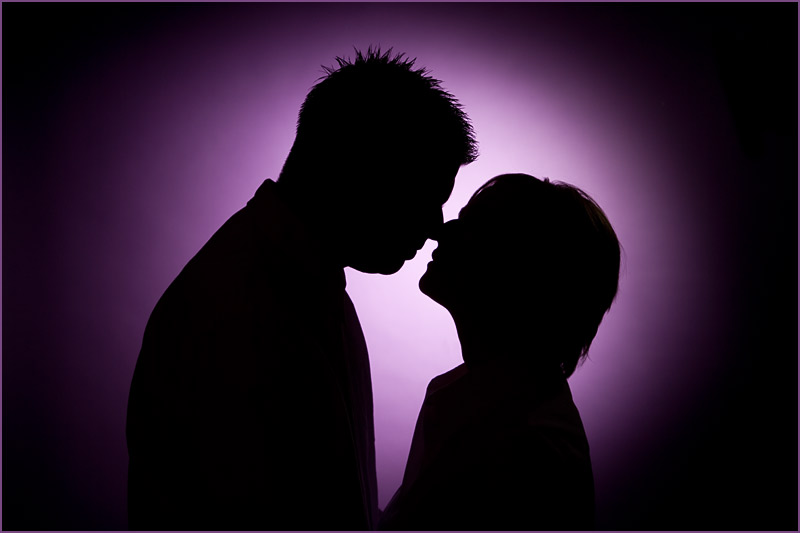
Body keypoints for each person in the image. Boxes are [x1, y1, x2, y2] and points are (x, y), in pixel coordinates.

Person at [126, 48, 477, 531]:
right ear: (359, 169)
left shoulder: (311, 288)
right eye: (425, 195)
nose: (436, 227)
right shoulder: (234, 313)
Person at [379, 173, 621, 531]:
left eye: (474, 225)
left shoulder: (530, 454)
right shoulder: (469, 398)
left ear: (522, 270)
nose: (444, 231)